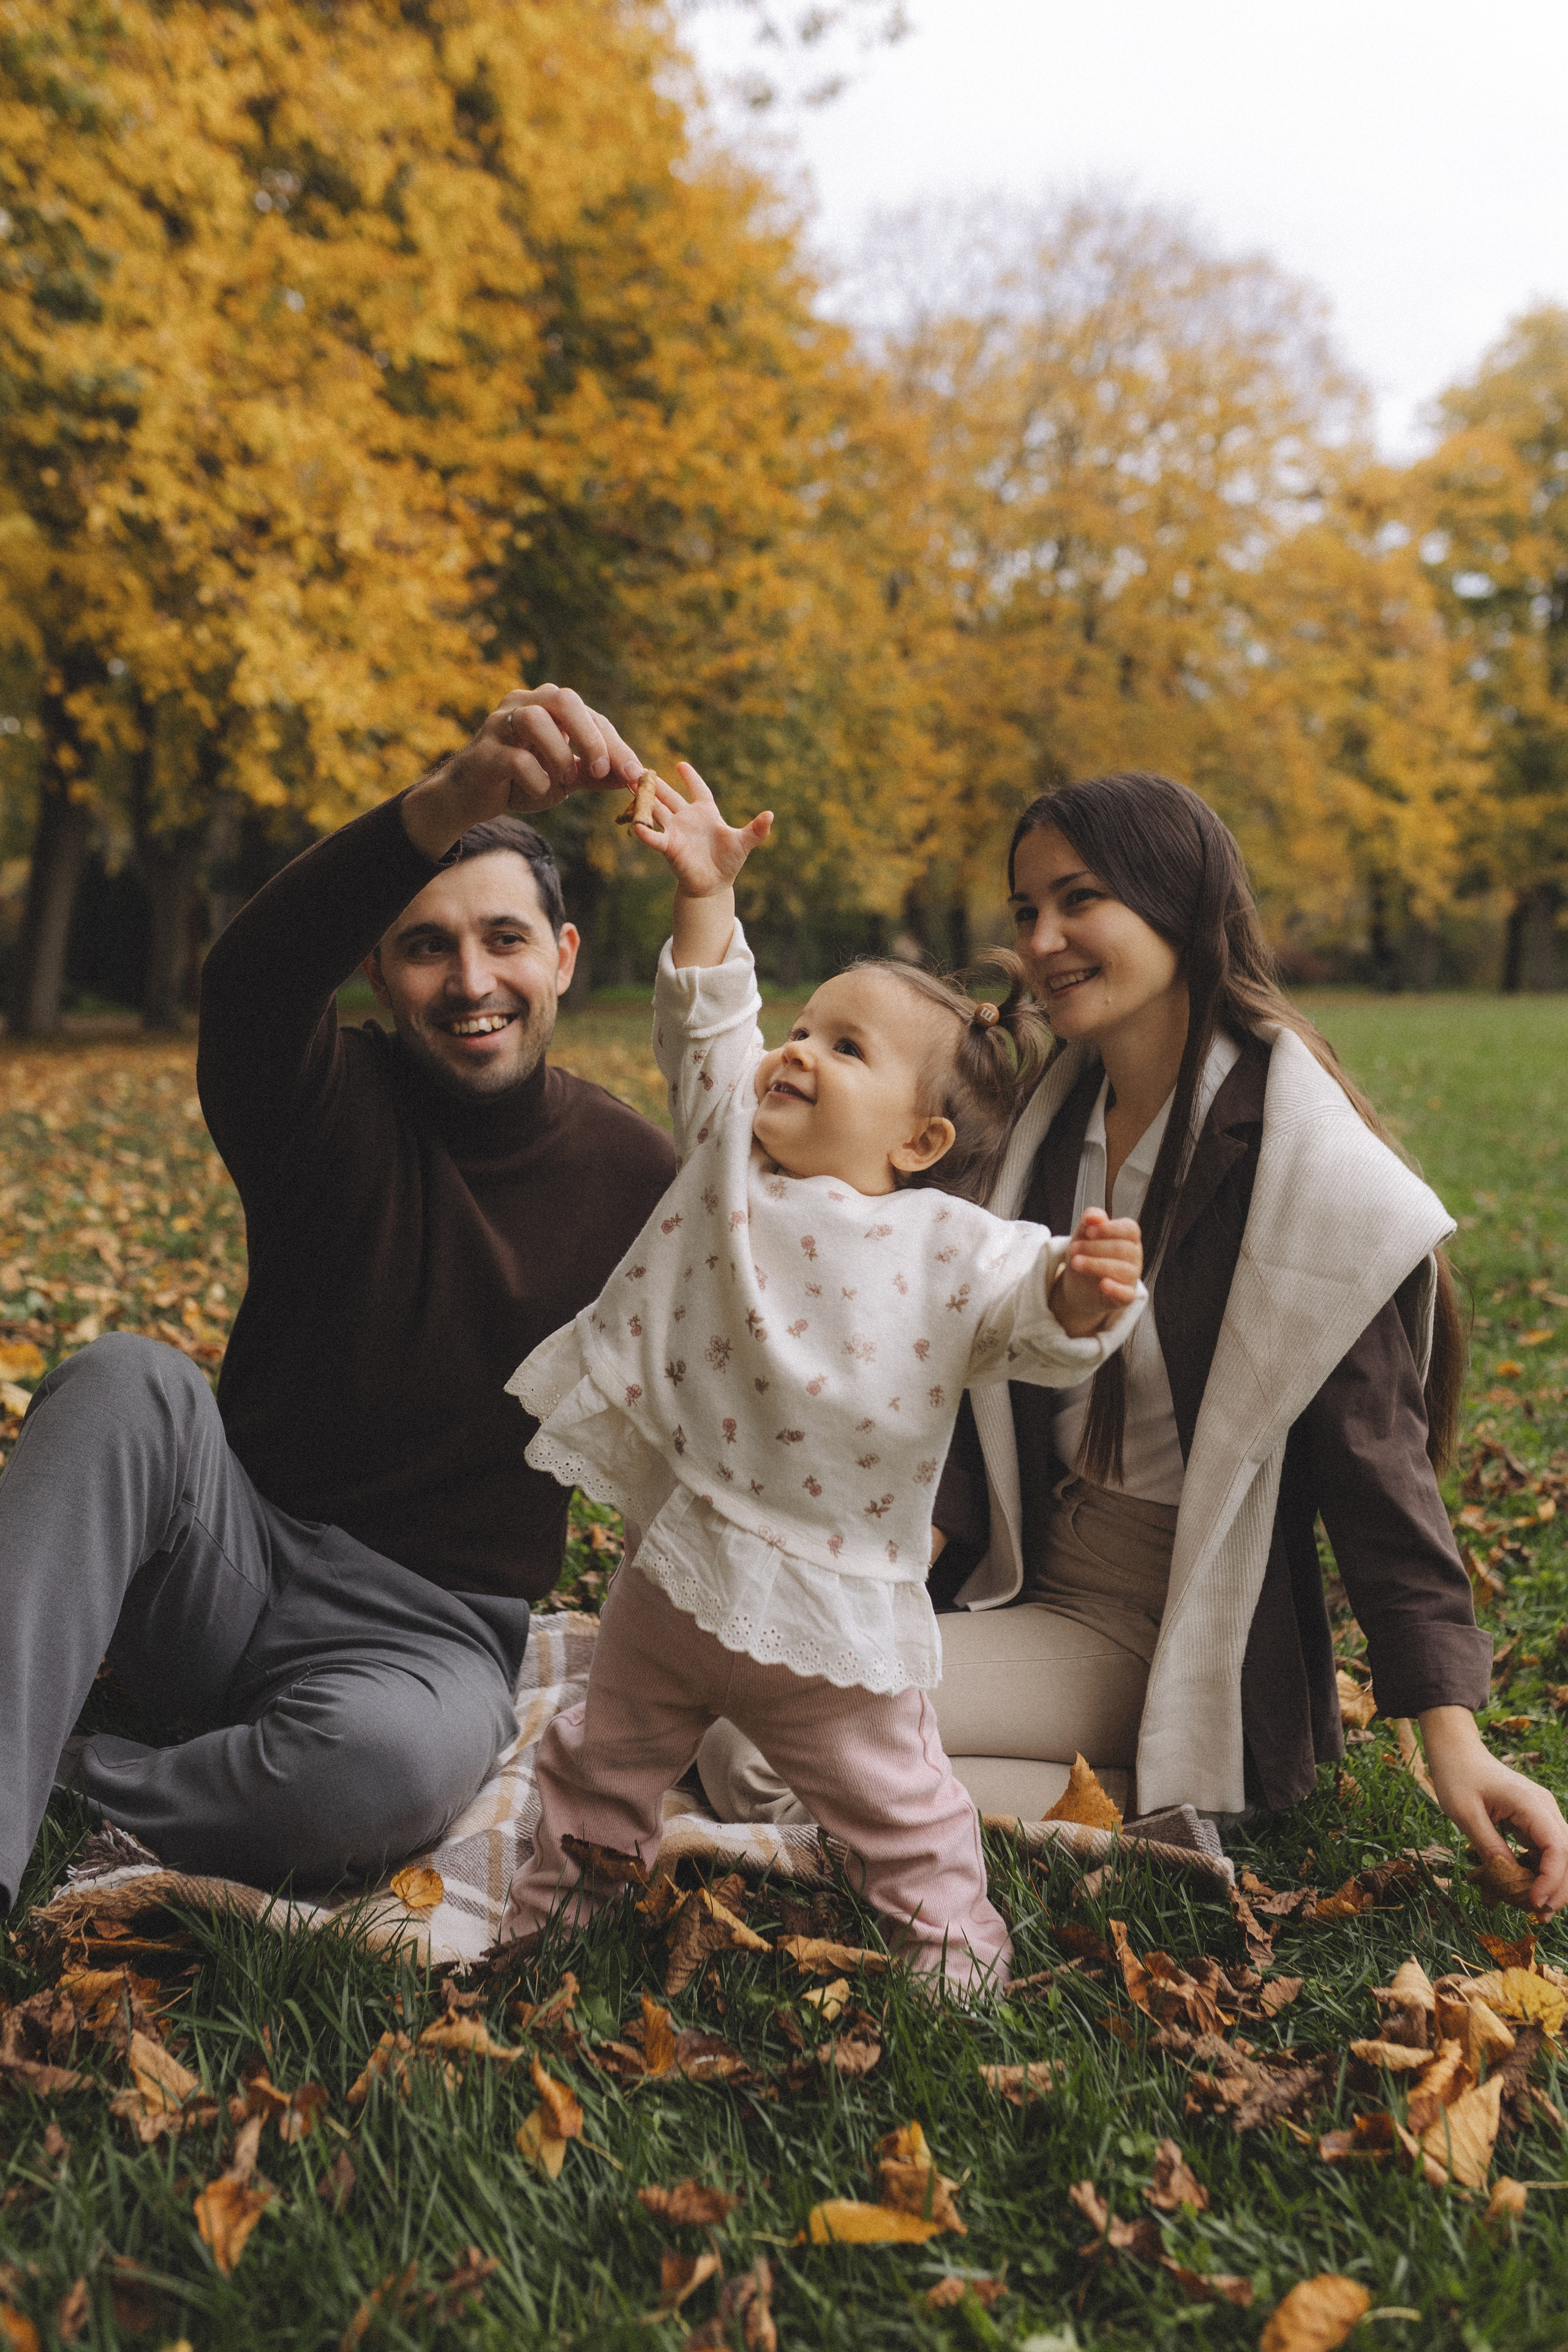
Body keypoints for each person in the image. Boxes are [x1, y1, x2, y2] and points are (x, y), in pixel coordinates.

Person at [699, 769, 1568, 1917]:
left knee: (748, 1738)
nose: (1044, 938)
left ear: (1181, 909)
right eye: (1024, 909)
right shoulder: (1051, 1125)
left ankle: (1138, 1776)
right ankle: (1108, 1796)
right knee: (728, 1678)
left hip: (1167, 1620)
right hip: (1022, 1571)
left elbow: (1376, 1466)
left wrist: (1456, 1743)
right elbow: (953, 1356)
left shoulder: (1307, 1173)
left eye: (1080, 899)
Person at [1, 685, 677, 1912]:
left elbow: (772, 1344)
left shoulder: (639, 1179)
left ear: (563, 959)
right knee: (123, 1382)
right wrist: (447, 803)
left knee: (378, 1777)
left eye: (505, 940)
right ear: (376, 969)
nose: (471, 980)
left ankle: (77, 1782)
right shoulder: (321, 1097)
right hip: (229, 1557)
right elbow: (250, 978)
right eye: (427, 945)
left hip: (420, 1644)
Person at [496, 766, 1145, 1986]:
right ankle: (546, 1941)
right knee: (600, 1764)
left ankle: (954, 1977)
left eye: (842, 1047)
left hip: (831, 1619)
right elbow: (707, 1027)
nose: (793, 1052)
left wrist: (1084, 1289)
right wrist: (704, 891)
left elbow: (1031, 1311)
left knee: (899, 1814)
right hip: (679, 1571)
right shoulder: (727, 1165)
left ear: (919, 1140)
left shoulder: (944, 1246)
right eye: (799, 1028)